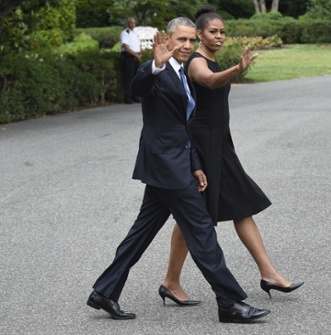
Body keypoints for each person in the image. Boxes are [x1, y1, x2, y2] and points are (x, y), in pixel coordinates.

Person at [87, 16, 270, 324]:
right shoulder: (157, 71)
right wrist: (154, 65)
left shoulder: (182, 75)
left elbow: (184, 127)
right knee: (201, 230)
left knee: (140, 234)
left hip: (172, 166)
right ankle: (230, 302)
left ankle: (104, 291)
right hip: (167, 169)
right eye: (180, 40)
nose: (186, 45)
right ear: (167, 41)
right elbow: (138, 86)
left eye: (189, 40)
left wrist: (196, 166)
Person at [160, 5, 303, 305]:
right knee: (192, 215)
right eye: (213, 31)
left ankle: (268, 273)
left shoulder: (212, 59)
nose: (220, 36)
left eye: (223, 31)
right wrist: (238, 70)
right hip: (203, 147)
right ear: (199, 34)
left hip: (221, 145)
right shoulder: (197, 62)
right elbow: (210, 81)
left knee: (241, 205)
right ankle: (171, 281)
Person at [120, 17, 142, 104]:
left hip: (136, 57)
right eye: (131, 23)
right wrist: (136, 55)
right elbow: (126, 47)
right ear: (127, 24)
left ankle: (135, 96)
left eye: (134, 23)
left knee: (136, 78)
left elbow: (138, 44)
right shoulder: (125, 33)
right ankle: (128, 97)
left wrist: (139, 53)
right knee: (129, 78)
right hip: (129, 57)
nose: (132, 25)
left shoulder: (135, 33)